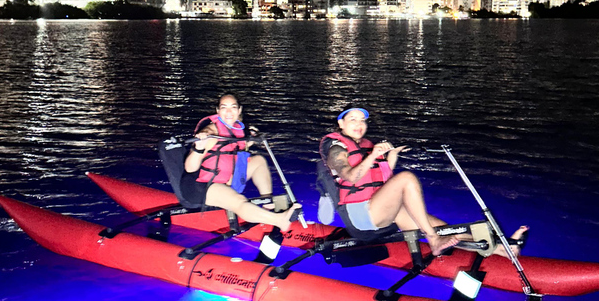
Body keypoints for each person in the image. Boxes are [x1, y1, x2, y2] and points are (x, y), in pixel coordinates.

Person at [321, 107, 528, 256]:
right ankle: (434, 240)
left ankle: (503, 249)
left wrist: (391, 156)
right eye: (352, 120)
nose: (359, 124)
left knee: (442, 227)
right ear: (341, 124)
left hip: (378, 207)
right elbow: (349, 176)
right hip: (361, 214)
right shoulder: (336, 148)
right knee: (407, 177)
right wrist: (374, 155)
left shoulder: (365, 145)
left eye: (362, 120)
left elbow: (379, 178)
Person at [183, 93, 301, 232]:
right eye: (224, 107)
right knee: (239, 200)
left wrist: (251, 139)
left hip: (226, 180)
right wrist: (199, 146)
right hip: (200, 186)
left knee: (259, 161)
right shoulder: (211, 132)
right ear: (218, 111)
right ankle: (279, 220)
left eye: (233, 107)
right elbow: (190, 168)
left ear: (239, 110)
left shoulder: (237, 129)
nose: (228, 112)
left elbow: (232, 150)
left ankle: (267, 204)